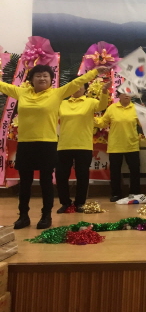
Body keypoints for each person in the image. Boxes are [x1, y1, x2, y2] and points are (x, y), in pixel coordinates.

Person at [0, 64, 104, 230]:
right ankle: (23, 216)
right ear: (31, 79)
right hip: (25, 144)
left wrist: (95, 71)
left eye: (45, 76)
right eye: (38, 75)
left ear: (51, 79)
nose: (42, 78)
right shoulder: (22, 93)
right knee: (25, 182)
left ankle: (46, 215)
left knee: (46, 182)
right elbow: (3, 86)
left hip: (47, 144)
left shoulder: (57, 94)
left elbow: (77, 82)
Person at [56, 79, 111, 213]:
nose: (77, 88)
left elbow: (102, 106)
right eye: (74, 85)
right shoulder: (61, 103)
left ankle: (80, 203)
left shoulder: (90, 102)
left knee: (82, 175)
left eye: (80, 85)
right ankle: (65, 203)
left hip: (83, 145)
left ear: (85, 88)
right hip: (64, 145)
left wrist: (104, 91)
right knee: (61, 176)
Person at [94, 87, 141, 202]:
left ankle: (134, 193)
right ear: (118, 96)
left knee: (135, 170)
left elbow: (144, 125)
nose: (126, 95)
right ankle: (116, 194)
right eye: (123, 93)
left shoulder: (136, 109)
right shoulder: (112, 108)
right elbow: (103, 123)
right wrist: (91, 118)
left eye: (129, 93)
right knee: (115, 172)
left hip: (132, 145)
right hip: (115, 145)